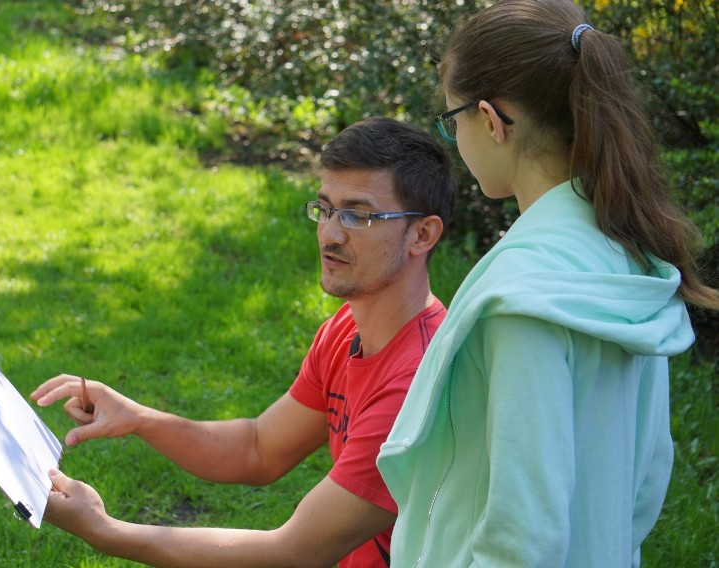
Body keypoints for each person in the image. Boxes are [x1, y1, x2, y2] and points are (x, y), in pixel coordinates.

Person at [376, 1, 719, 566]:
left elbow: (523, 537)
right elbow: (648, 477)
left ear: (490, 120)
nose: (454, 137)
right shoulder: (628, 253)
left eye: (451, 119)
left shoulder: (523, 296)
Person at [31, 116, 457, 567]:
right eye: (325, 209)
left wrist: (107, 532)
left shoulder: (415, 385)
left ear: (422, 235)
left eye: (358, 215)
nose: (330, 234)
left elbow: (294, 553)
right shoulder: (347, 329)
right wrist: (140, 419)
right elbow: (259, 448)